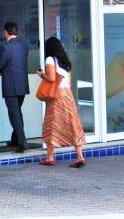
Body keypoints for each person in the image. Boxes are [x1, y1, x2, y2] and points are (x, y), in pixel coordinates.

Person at [37, 37, 87, 168]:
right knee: (72, 123)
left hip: (57, 94)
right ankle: (80, 156)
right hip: (67, 94)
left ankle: (50, 157)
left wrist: (41, 74)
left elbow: (51, 78)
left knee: (51, 123)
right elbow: (69, 83)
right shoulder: (66, 62)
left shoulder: (50, 59)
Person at [0, 21, 30, 153]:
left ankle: (22, 142)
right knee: (17, 112)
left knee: (14, 114)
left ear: (6, 32)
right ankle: (15, 139)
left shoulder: (5, 46)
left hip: (11, 86)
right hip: (22, 85)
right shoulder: (24, 45)